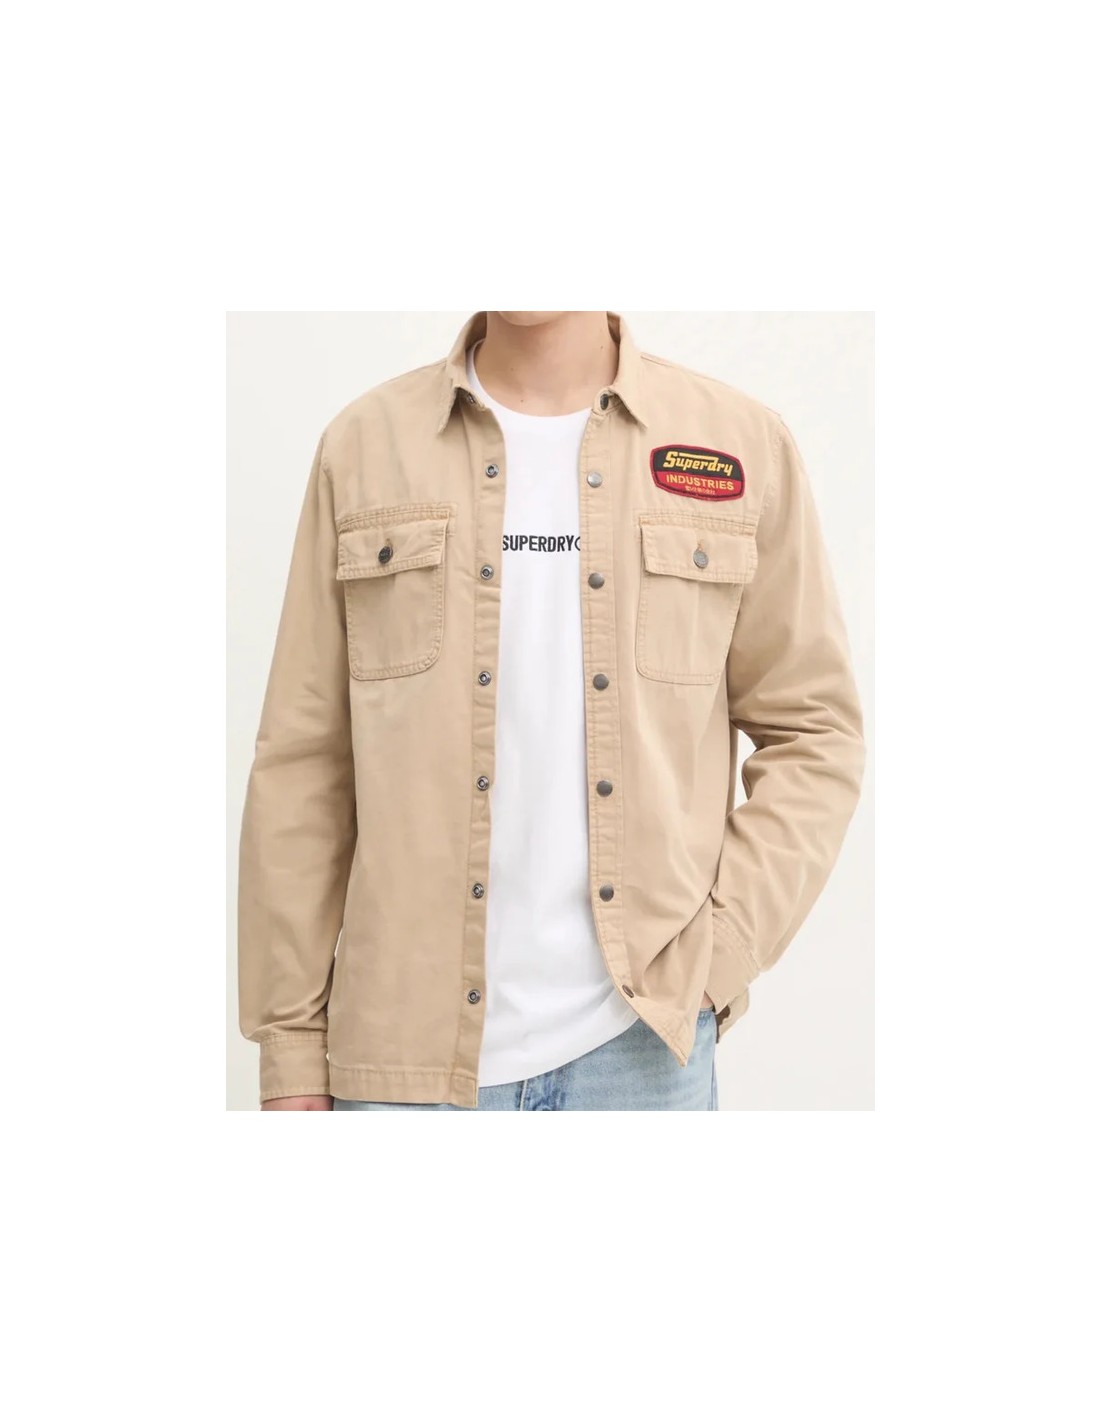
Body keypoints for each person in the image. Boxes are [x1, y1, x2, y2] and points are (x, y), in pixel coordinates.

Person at [237, 311, 865, 1111]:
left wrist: (720, 955)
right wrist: (290, 1049)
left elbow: (816, 731)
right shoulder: (364, 447)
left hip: (640, 1057)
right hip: (401, 1066)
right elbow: (302, 764)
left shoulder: (739, 444)